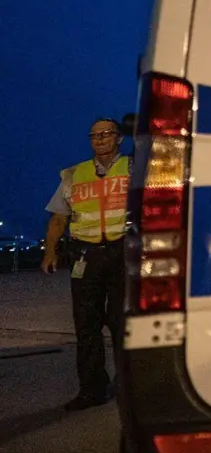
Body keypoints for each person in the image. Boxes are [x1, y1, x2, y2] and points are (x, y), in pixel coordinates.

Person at [42, 117, 130, 410]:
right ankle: (92, 390)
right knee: (86, 325)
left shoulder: (133, 168)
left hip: (123, 253)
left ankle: (128, 386)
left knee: (123, 322)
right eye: (94, 135)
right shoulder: (74, 175)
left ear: (119, 138)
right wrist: (50, 252)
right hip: (85, 256)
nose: (100, 139)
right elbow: (58, 217)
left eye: (106, 134)